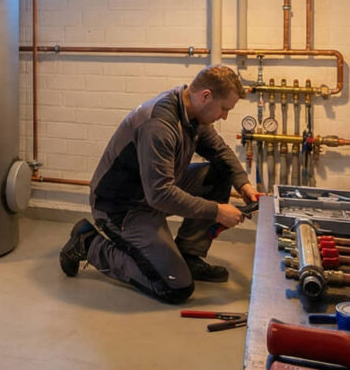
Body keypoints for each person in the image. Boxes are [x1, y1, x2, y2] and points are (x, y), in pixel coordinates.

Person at [59, 65, 261, 304]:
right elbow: (160, 194)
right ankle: (89, 243)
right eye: (224, 108)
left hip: (152, 192)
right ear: (205, 96)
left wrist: (244, 185)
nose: (224, 116)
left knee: (221, 173)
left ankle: (189, 255)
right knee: (175, 286)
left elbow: (220, 152)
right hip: (122, 206)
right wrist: (216, 211)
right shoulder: (159, 124)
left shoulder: (193, 116)